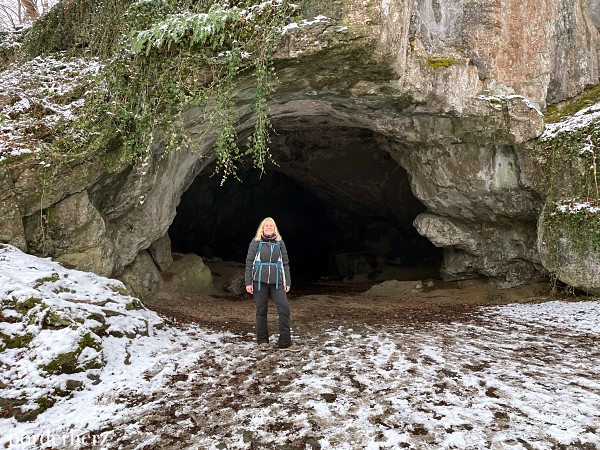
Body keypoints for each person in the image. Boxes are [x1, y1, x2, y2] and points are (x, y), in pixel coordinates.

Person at [245, 217, 300, 352]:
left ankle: (285, 342)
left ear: (274, 228)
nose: (269, 227)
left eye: (271, 226)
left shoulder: (280, 243)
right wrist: (248, 282)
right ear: (262, 228)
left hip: (277, 282)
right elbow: (249, 262)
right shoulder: (256, 242)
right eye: (266, 226)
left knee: (284, 309)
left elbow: (285, 263)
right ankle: (263, 341)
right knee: (261, 310)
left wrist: (287, 281)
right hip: (259, 282)